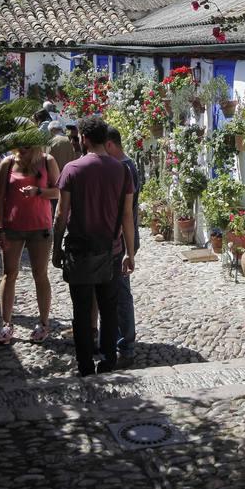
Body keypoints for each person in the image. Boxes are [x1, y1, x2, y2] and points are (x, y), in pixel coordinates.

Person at [53, 116, 135, 377]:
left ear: (85, 139)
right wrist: (130, 253)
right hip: (111, 251)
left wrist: (56, 248)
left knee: (81, 310)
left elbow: (61, 214)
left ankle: (85, 365)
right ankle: (109, 360)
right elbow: (127, 216)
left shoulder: (72, 169)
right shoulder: (122, 170)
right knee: (109, 308)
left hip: (79, 252)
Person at [0, 145, 61, 345]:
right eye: (18, 145)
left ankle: (43, 323)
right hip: (12, 226)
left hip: (40, 227)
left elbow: (58, 192)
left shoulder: (47, 161)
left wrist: (38, 191)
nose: (21, 150)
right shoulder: (6, 163)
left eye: (26, 146)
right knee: (9, 273)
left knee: (40, 275)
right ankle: (6, 324)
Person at [105, 125, 140, 368]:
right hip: (123, 237)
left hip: (124, 238)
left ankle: (125, 344)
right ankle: (116, 338)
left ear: (109, 145)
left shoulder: (125, 168)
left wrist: (127, 247)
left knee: (121, 292)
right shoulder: (126, 166)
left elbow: (124, 212)